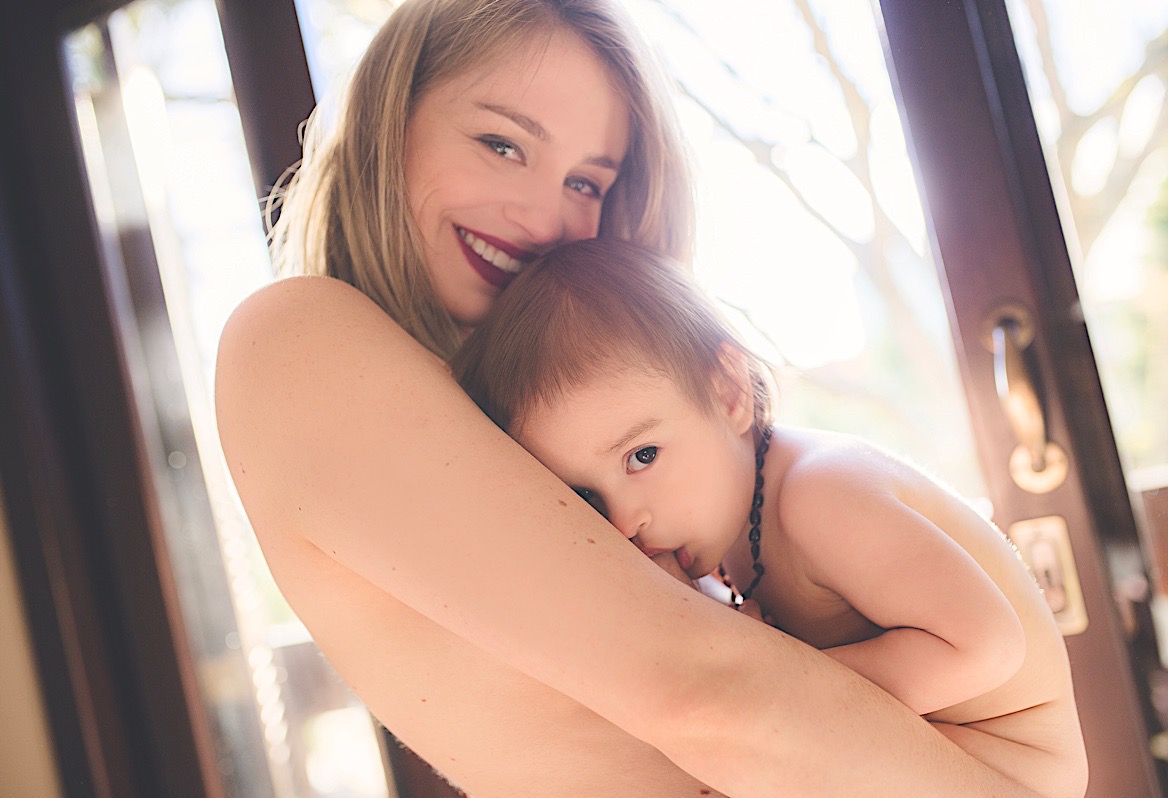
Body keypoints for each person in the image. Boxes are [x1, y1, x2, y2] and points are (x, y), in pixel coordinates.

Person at [214, 0, 1075, 795]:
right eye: (502, 144)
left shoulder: (583, 420)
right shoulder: (298, 339)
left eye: (587, 183)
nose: (544, 219)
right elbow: (717, 696)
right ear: (383, 130)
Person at [451, 237, 1089, 797]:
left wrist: (785, 696)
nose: (624, 521)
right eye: (587, 498)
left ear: (728, 391)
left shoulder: (821, 494)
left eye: (641, 456)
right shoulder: (722, 521)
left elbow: (983, 647)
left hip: (1009, 768)